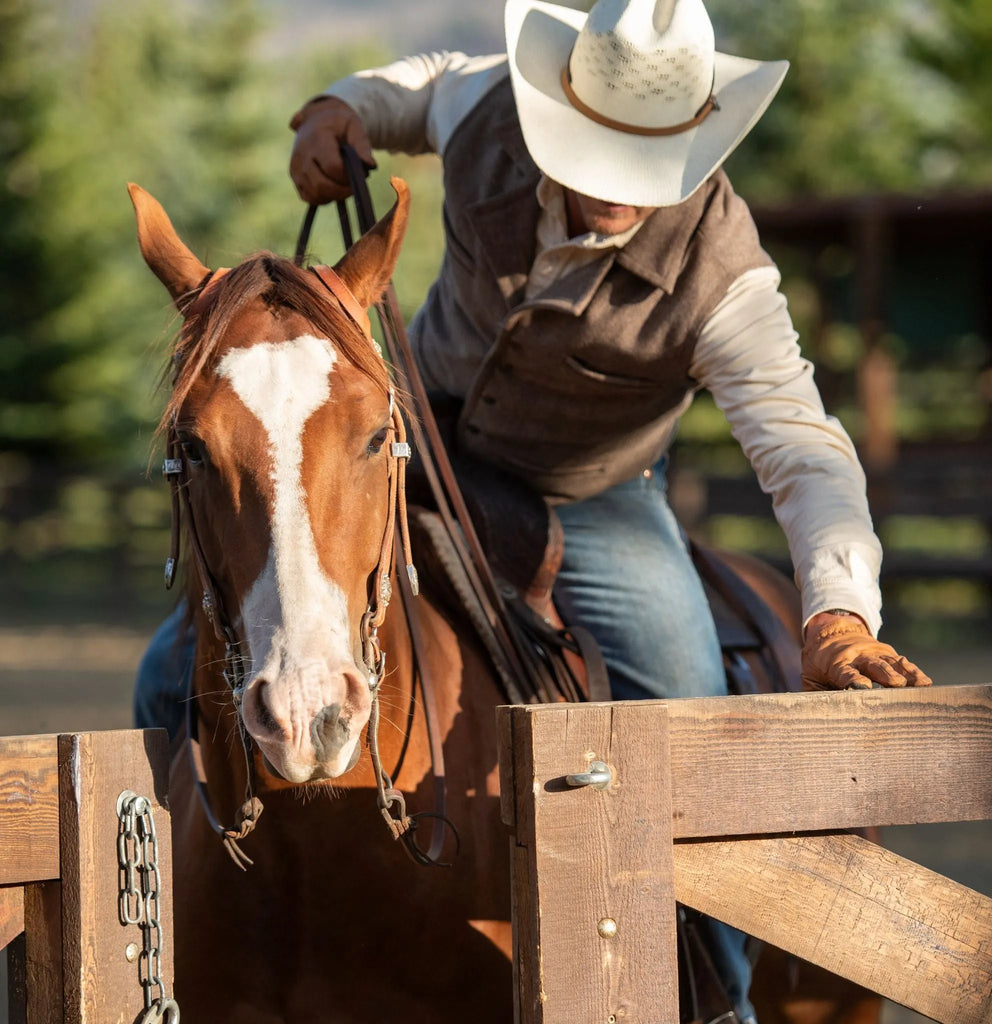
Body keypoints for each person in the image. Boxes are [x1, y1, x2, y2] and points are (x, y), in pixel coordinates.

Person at [138, 0, 932, 1019]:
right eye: (595, 150)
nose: (613, 187)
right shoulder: (490, 113)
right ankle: (149, 942)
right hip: (406, 449)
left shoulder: (725, 278)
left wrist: (838, 613)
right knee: (167, 669)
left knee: (683, 704)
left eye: (641, 161)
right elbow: (424, 84)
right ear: (562, 104)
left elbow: (804, 451)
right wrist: (343, 106)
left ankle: (715, 993)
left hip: (589, 497)